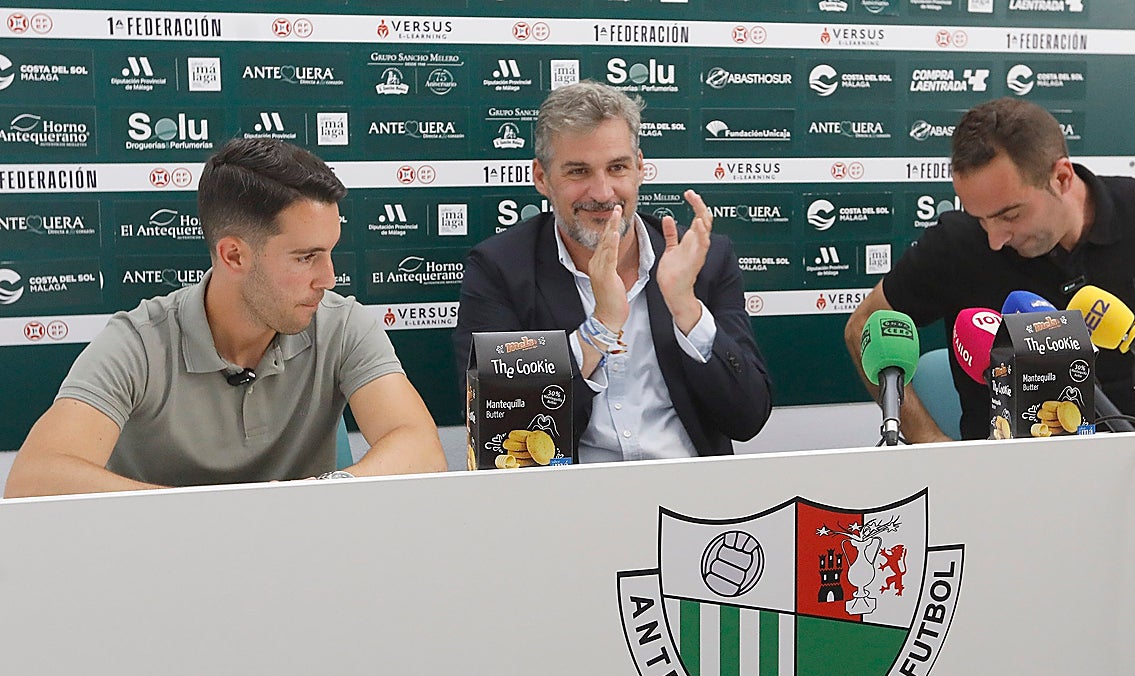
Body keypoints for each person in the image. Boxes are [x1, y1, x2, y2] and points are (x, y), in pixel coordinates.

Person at [4, 138, 445, 497]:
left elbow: (421, 448)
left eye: (330, 253)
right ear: (234, 255)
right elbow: (36, 480)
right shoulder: (138, 342)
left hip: (305, 568)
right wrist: (213, 522)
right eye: (306, 257)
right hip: (162, 573)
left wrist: (326, 492)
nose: (327, 278)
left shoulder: (343, 323)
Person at [845, 97, 1135, 441]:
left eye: (1009, 215)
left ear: (1061, 178)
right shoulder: (955, 246)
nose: (995, 239)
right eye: (980, 219)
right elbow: (863, 326)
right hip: (1002, 477)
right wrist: (928, 438)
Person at [453, 80, 771, 460]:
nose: (602, 193)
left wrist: (686, 307)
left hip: (689, 500)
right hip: (570, 503)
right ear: (542, 178)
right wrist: (599, 328)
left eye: (617, 167)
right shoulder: (500, 268)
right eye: (578, 172)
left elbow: (748, 418)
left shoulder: (703, 258)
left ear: (639, 167)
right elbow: (499, 430)